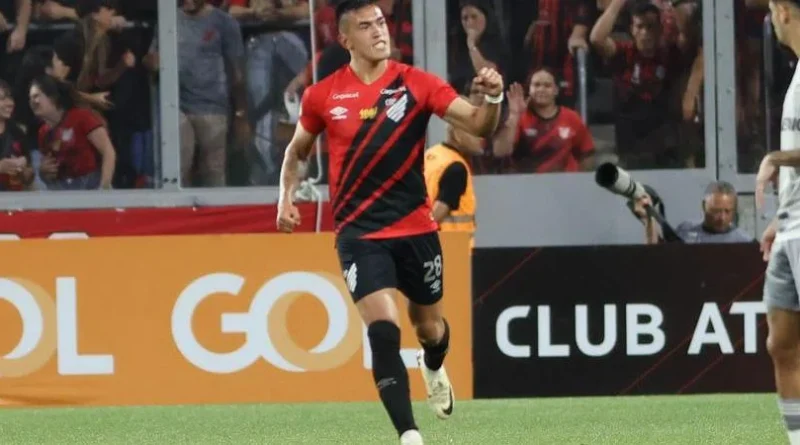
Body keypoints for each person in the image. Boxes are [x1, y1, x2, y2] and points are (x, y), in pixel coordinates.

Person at [276, 1, 502, 443]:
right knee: (383, 329)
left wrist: (492, 97)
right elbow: (296, 151)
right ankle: (409, 435)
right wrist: (285, 197)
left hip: (416, 229)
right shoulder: (322, 95)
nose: (379, 31)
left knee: (429, 330)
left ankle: (433, 365)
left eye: (381, 22)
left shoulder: (417, 83)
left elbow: (479, 125)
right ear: (345, 39)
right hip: (359, 234)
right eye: (366, 26)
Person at [756, 2, 800, 444]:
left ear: (785, 11)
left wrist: (776, 157)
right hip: (791, 226)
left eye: (771, 8)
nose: (770, 20)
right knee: (781, 343)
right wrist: (781, 215)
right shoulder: (796, 71)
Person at [424, 89, 483, 249]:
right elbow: (438, 212)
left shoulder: (432, 155)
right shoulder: (456, 168)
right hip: (451, 246)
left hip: (431, 246)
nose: (480, 139)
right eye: (475, 133)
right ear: (457, 132)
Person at [633, 181, 753, 244]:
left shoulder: (744, 242)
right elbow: (655, 256)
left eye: (728, 211)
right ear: (704, 206)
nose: (722, 218)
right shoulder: (685, 230)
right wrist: (648, 219)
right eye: (716, 211)